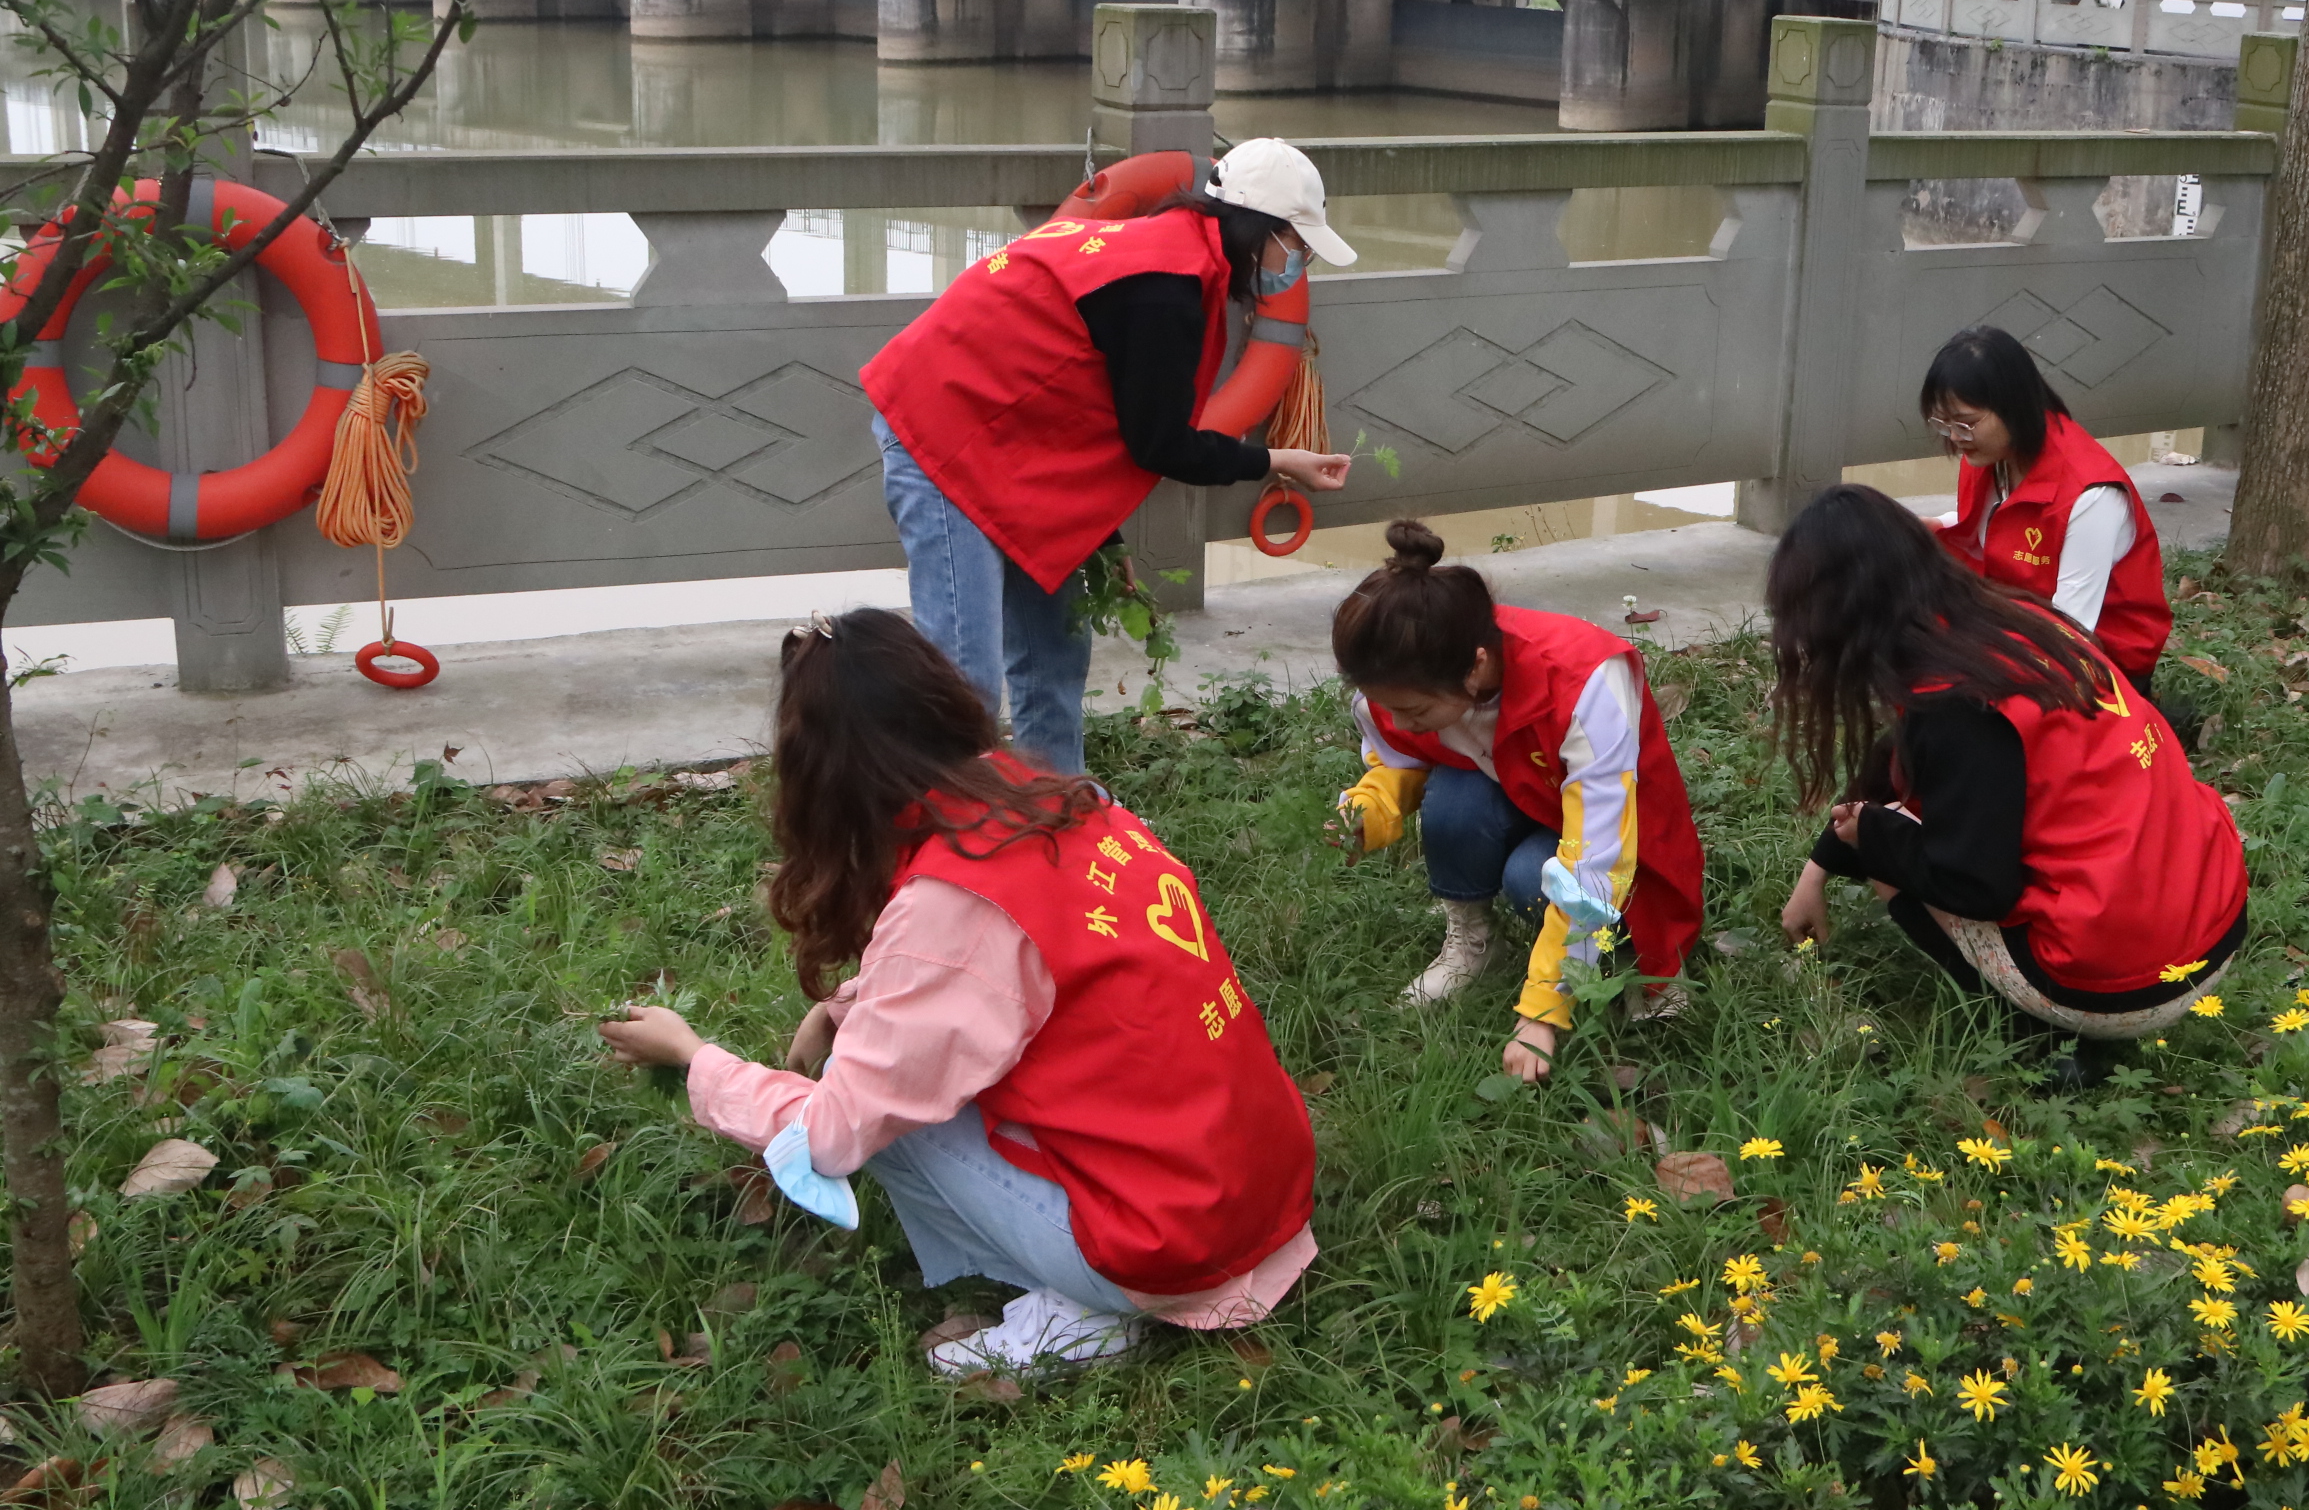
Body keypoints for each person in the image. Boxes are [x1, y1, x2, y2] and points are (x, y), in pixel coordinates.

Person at [597, 609, 1315, 1373]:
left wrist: (695, 1059)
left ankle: (1088, 1311)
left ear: (825, 776)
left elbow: (833, 1132)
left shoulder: (956, 900)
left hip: (1165, 1247)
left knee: (880, 1112)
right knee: (889, 1064)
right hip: (1255, 1192)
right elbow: (1006, 967)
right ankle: (1092, 1283)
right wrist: (846, 1007)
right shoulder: (1066, 803)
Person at [860, 139, 1356, 774]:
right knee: (963, 677)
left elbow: (1089, 405)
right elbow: (1161, 443)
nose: (1299, 262)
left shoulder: (1178, 255)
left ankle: (1057, 804)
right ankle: (939, 819)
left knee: (1054, 652)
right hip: (940, 430)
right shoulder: (1166, 284)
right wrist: (1275, 461)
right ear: (1256, 228)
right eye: (1298, 244)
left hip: (1012, 440)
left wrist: (1103, 536)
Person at [1765, 486, 2246, 1088]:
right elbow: (1901, 752)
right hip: (2212, 919)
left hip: (2128, 985)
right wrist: (1819, 867)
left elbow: (1977, 886)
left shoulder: (1957, 708)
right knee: (1896, 824)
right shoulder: (2015, 624)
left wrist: (1870, 837)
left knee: (1894, 842)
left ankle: (2040, 1038)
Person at [1330, 521, 1705, 1083]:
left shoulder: (1583, 681)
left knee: (1533, 878)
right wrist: (1372, 810)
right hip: (1524, 794)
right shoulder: (1404, 675)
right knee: (1451, 801)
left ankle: (1624, 957)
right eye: (1389, 708)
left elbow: (1598, 859)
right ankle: (1475, 944)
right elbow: (1398, 757)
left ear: (1477, 666)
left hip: (1628, 839)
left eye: (1415, 712)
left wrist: (1542, 1012)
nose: (1399, 722)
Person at [1923, 325, 2171, 692]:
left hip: (2100, 663)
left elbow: (2071, 634)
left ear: (2014, 406)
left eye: (1967, 423)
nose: (1956, 437)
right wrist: (1928, 527)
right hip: (2022, 622)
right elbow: (1996, 523)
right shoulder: (1993, 454)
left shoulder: (2091, 493)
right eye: (1944, 424)